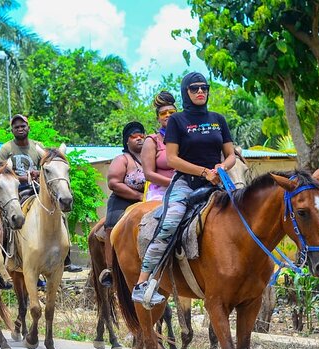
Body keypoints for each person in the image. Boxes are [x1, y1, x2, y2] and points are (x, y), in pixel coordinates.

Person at [131, 72, 236, 305]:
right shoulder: (177, 120)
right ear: (186, 92)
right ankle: (142, 283)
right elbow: (172, 159)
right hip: (185, 184)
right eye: (194, 88)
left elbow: (231, 156)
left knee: (248, 213)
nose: (200, 92)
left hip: (217, 182)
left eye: (204, 88)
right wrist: (203, 172)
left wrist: (221, 167)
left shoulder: (218, 119)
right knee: (169, 224)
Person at [0, 114, 83, 274]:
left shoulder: (38, 146)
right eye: (16, 127)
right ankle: (7, 257)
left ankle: (66, 258)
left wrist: (38, 173)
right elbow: (3, 173)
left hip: (38, 187)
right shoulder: (6, 149)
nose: (20, 129)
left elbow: (46, 167)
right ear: (12, 130)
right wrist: (23, 177)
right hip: (17, 189)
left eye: (23, 126)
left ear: (28, 128)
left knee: (59, 212)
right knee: (8, 217)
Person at [98, 121, 146, 286]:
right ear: (127, 140)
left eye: (142, 135)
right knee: (112, 226)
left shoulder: (151, 157)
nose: (139, 138)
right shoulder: (122, 159)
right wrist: (138, 195)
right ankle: (110, 269)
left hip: (149, 199)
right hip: (122, 200)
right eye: (134, 136)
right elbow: (114, 183)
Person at [142, 91, 176, 201]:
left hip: (187, 188)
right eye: (163, 113)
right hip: (160, 193)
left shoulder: (186, 138)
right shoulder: (152, 141)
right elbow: (148, 174)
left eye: (171, 112)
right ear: (158, 118)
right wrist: (174, 184)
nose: (168, 115)